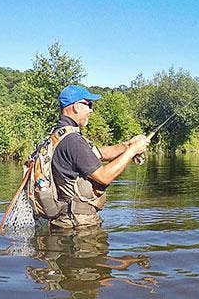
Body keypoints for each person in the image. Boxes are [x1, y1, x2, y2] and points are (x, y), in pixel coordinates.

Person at [48, 85, 149, 229]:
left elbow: (98, 154)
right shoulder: (73, 141)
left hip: (66, 222)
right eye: (89, 104)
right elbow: (104, 177)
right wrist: (132, 151)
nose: (91, 110)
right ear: (76, 106)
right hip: (79, 227)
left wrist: (127, 145)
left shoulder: (59, 134)